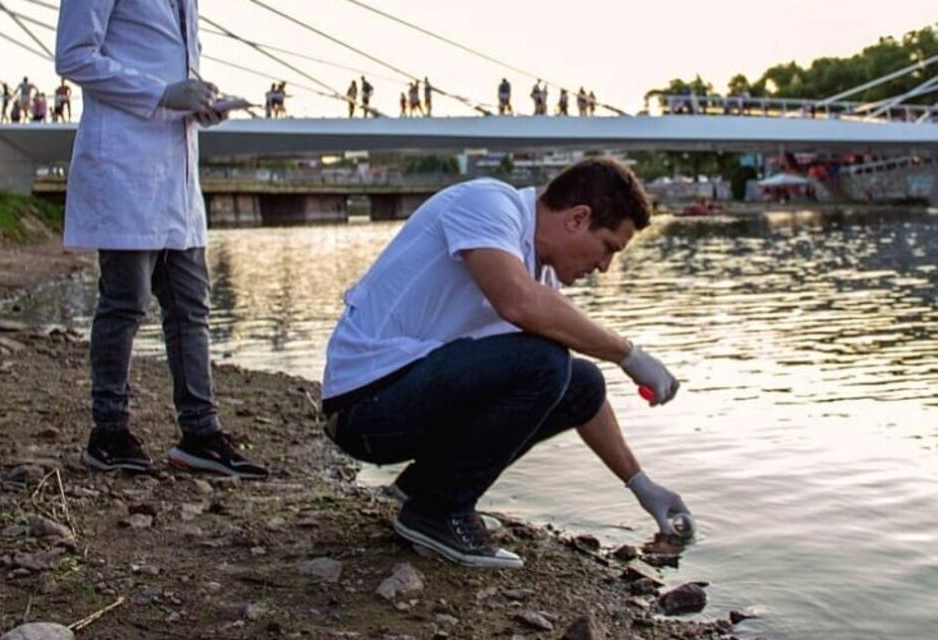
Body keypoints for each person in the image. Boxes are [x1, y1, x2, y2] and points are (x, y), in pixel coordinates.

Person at [321, 158, 692, 568]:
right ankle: (438, 512)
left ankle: (425, 491)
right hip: (363, 406)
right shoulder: (490, 203)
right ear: (577, 218)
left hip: (404, 400)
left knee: (582, 382)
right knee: (544, 362)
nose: (604, 267)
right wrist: (628, 354)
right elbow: (517, 303)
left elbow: (581, 397)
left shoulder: (537, 273)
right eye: (608, 247)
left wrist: (640, 484)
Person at [56, 0, 268, 478]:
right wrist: (162, 94)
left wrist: (196, 102)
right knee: (126, 301)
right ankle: (108, 433)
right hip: (126, 160)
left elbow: (166, 64)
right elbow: (73, 56)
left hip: (175, 169)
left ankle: (201, 434)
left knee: (191, 304)